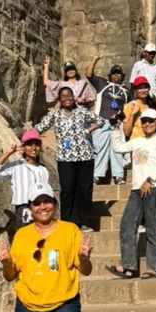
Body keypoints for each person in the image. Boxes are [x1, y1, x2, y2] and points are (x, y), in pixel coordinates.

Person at [106, 109, 156, 279]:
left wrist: (149, 180)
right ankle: (129, 266)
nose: (147, 124)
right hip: (137, 189)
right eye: (144, 121)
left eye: (151, 121)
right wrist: (115, 128)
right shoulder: (137, 141)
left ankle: (155, 267)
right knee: (127, 224)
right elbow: (118, 148)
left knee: (152, 226)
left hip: (154, 187)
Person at [34, 86, 99, 230]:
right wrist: (27, 136)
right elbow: (40, 127)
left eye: (69, 95)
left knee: (84, 190)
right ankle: (67, 222)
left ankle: (84, 221)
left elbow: (99, 121)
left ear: (73, 96)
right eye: (63, 96)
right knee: (67, 189)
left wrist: (88, 130)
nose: (67, 98)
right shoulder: (55, 115)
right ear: (60, 99)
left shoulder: (82, 112)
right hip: (65, 158)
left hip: (85, 156)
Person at [0, 130, 52, 230]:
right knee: (25, 240)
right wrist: (7, 153)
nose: (34, 148)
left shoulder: (43, 169)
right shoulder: (17, 166)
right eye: (30, 145)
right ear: (23, 147)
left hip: (41, 208)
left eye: (37, 145)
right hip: (23, 208)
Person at [85, 56, 130, 185]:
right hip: (102, 121)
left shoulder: (126, 91)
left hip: (117, 123)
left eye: (119, 74)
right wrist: (94, 59)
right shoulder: (103, 84)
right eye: (114, 74)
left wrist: (121, 119)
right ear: (110, 75)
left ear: (122, 76)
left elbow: (128, 108)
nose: (116, 76)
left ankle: (119, 175)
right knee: (100, 148)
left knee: (117, 148)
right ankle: (97, 175)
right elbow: (88, 74)